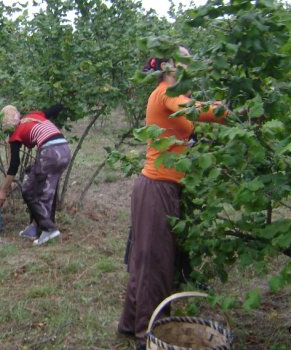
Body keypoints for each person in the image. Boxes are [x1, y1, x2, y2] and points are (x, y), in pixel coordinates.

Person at [117, 47, 228, 349]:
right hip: (157, 188)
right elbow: (196, 110)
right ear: (168, 67)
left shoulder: (173, 94)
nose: (190, 64)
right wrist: (231, 111)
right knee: (156, 265)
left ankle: (132, 325)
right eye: (184, 59)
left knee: (147, 259)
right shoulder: (165, 92)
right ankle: (148, 337)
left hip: (161, 187)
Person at [0, 104, 71, 246]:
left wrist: (3, 190)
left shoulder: (15, 133)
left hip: (50, 152)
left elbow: (14, 166)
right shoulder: (33, 116)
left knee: (28, 190)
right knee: (45, 188)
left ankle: (49, 229)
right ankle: (35, 228)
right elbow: (56, 108)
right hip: (64, 149)